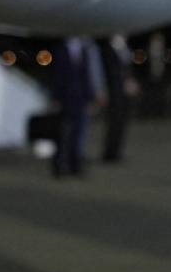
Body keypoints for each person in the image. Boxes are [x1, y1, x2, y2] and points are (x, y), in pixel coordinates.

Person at [49, 36, 102, 177]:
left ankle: (75, 165)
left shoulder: (84, 51)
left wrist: (91, 98)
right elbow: (56, 76)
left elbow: (86, 77)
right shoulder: (60, 50)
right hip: (65, 99)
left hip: (80, 99)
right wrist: (55, 98)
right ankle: (59, 165)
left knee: (79, 134)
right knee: (61, 134)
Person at [96, 33, 135, 162]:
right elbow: (110, 73)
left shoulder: (124, 49)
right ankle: (109, 153)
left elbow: (127, 69)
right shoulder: (107, 50)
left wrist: (129, 82)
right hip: (114, 92)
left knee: (121, 123)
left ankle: (116, 151)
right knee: (113, 123)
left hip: (123, 93)